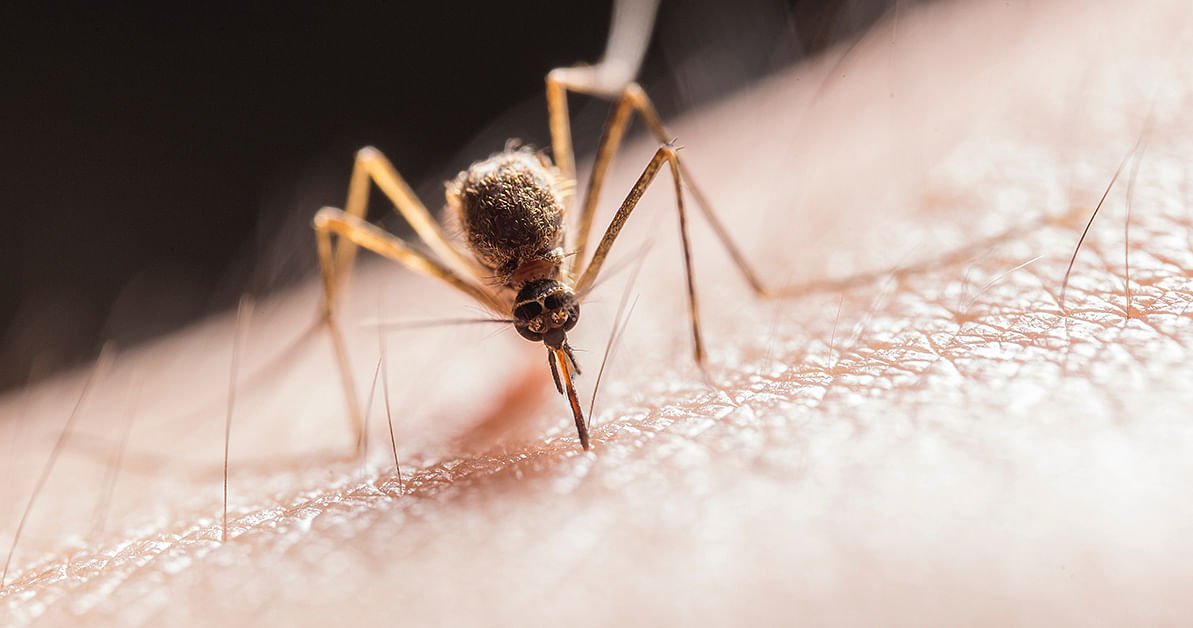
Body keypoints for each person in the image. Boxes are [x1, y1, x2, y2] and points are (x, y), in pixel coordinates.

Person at [2, 0, 1190, 624]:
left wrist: (735, 313)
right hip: (497, 217)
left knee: (648, 152)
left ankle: (765, 298)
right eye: (546, 319)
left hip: (535, 209)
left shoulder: (562, 252)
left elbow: (659, 157)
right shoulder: (493, 272)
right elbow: (353, 218)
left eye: (551, 318)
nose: (559, 336)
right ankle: (327, 425)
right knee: (348, 206)